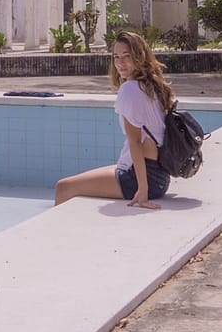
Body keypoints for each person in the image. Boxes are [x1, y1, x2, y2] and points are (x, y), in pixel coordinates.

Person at [54, 30, 173, 210]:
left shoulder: (130, 90)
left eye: (127, 56)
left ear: (139, 57)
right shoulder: (153, 86)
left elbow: (135, 143)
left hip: (141, 179)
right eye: (116, 57)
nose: (120, 63)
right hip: (160, 176)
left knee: (63, 187)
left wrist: (142, 190)